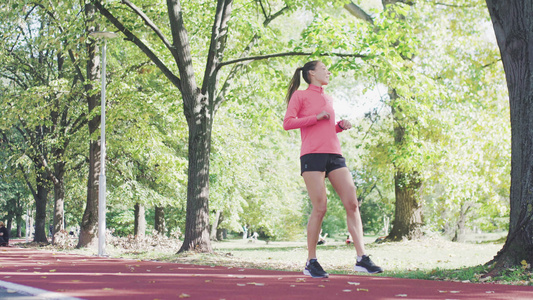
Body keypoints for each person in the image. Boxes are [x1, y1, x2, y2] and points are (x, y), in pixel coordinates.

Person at [283, 60, 383, 278]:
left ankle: (362, 258)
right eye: (324, 69)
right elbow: (288, 122)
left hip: (334, 154)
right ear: (311, 73)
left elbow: (325, 129)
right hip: (312, 154)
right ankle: (311, 261)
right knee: (320, 207)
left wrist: (339, 126)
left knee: (352, 202)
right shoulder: (300, 96)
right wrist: (315, 118)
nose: (329, 72)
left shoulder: (328, 97)